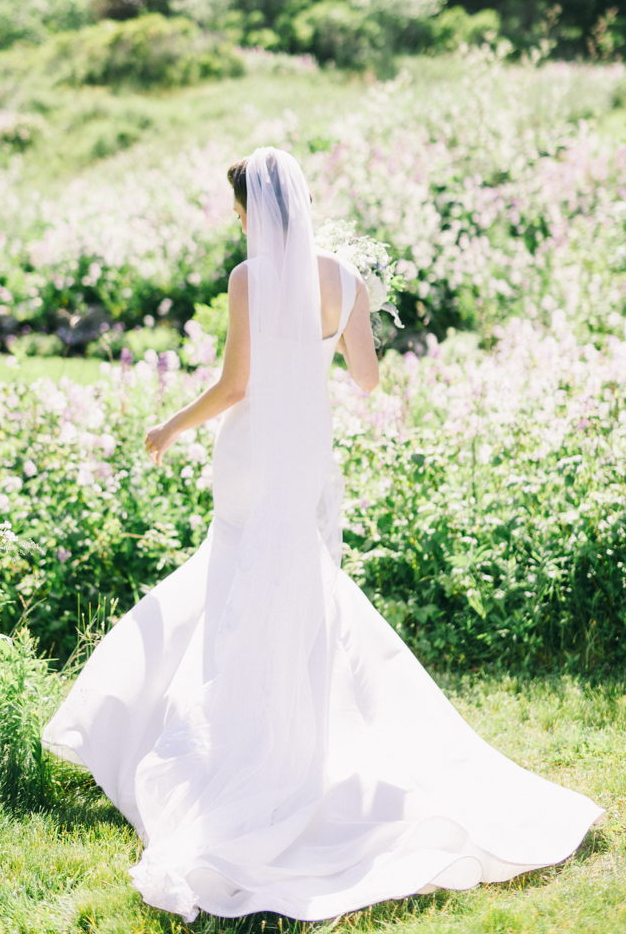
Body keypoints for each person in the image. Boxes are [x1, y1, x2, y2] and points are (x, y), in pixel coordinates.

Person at [41, 146, 602, 924]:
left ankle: (184, 734)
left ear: (248, 210)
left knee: (230, 579)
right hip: (305, 457)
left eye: (236, 208)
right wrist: (348, 323)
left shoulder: (248, 279)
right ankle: (278, 725)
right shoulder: (345, 278)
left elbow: (236, 384)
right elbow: (367, 380)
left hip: (251, 451)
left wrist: (171, 422)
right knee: (288, 585)